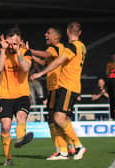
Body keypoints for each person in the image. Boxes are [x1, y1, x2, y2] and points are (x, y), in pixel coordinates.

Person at [30, 21, 86, 160]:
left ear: (67, 32)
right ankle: (64, 150)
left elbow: (56, 60)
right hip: (66, 86)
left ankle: (76, 146)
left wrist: (40, 73)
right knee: (56, 118)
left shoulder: (69, 47)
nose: (46, 35)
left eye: (48, 33)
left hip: (67, 86)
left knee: (58, 118)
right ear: (79, 33)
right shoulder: (81, 47)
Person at [0, 27, 34, 166]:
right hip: (5, 95)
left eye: (15, 43)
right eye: (10, 43)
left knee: (21, 116)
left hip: (22, 94)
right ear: (6, 41)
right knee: (5, 127)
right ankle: (8, 158)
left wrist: (18, 52)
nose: (12, 46)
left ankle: (20, 138)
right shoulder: (1, 53)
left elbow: (25, 68)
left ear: (20, 42)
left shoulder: (25, 52)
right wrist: (4, 51)